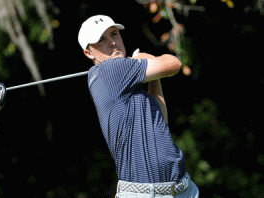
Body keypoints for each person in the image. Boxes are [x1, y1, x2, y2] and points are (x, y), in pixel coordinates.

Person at [78, 15, 199, 198]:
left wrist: (152, 77)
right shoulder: (110, 70)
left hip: (182, 189)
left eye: (114, 34)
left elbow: (160, 124)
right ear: (89, 53)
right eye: (101, 40)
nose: (112, 43)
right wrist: (144, 58)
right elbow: (174, 64)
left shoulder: (123, 81)